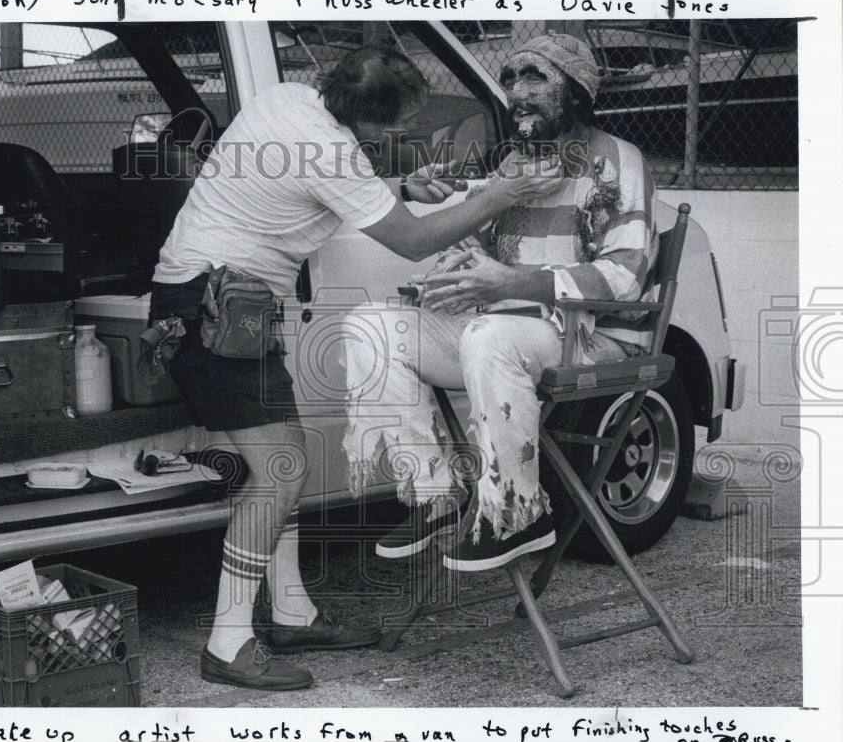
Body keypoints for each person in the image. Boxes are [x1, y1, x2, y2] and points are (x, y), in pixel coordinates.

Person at [150, 45, 562, 690]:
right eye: (392, 125)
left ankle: (290, 612)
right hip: (217, 306)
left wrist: (398, 187)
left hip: (218, 302)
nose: (397, 136)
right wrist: (499, 194)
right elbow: (415, 239)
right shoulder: (337, 156)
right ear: (364, 119)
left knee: (280, 466)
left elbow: (299, 182)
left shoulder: (286, 99)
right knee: (279, 471)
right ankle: (228, 644)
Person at [342, 33, 659, 573]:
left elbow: (624, 276)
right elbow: (487, 254)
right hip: (506, 331)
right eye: (510, 80)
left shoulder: (616, 160)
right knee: (369, 325)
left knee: (487, 336)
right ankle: (433, 496)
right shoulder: (515, 160)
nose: (516, 92)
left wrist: (508, 283)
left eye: (535, 78)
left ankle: (516, 511)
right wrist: (461, 264)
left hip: (593, 339)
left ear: (577, 92)